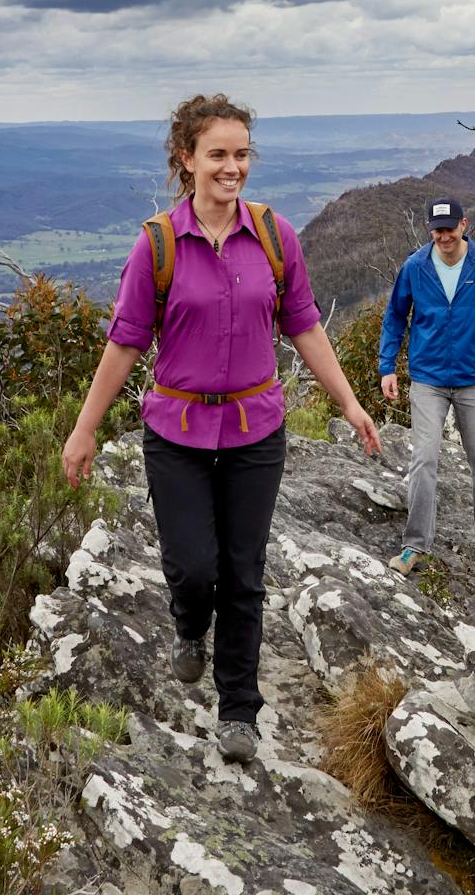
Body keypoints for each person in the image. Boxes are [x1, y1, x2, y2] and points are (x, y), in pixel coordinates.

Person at [62, 94, 381, 763]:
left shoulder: (273, 236)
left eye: (240, 154)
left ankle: (238, 711)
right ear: (187, 159)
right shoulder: (156, 245)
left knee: (243, 571)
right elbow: (123, 344)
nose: (232, 167)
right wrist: (84, 429)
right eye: (218, 155)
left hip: (255, 431)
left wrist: (349, 404)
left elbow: (305, 327)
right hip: (175, 431)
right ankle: (188, 625)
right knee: (192, 566)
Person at [377, 196, 475, 576]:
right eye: (437, 229)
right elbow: (395, 316)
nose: (443, 236)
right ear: (431, 230)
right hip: (428, 379)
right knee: (424, 460)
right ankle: (414, 546)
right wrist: (387, 366)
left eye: (450, 228)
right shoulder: (415, 266)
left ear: (465, 225)